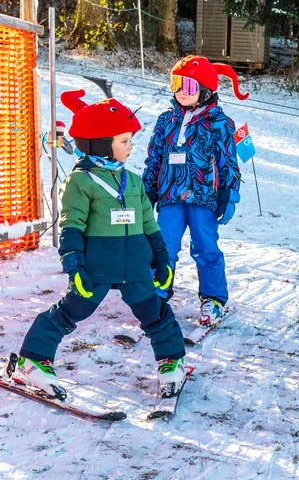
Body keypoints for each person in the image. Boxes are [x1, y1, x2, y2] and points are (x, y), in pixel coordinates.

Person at [11, 90, 186, 397]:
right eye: (124, 141)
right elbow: (71, 228)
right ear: (102, 144)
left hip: (136, 267)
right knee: (70, 311)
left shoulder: (133, 181)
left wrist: (161, 258)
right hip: (98, 266)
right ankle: (31, 361)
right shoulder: (81, 182)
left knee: (155, 312)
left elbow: (149, 224)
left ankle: (171, 361)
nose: (130, 147)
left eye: (130, 140)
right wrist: (74, 267)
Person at [143, 56, 245, 325]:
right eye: (176, 83)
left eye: (188, 86)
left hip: (203, 197)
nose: (180, 91)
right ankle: (156, 293)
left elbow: (228, 161)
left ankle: (213, 298)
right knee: (163, 245)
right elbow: (154, 158)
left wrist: (228, 195)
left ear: (206, 90)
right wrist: (148, 191)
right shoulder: (166, 120)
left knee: (205, 246)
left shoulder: (219, 122)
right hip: (170, 195)